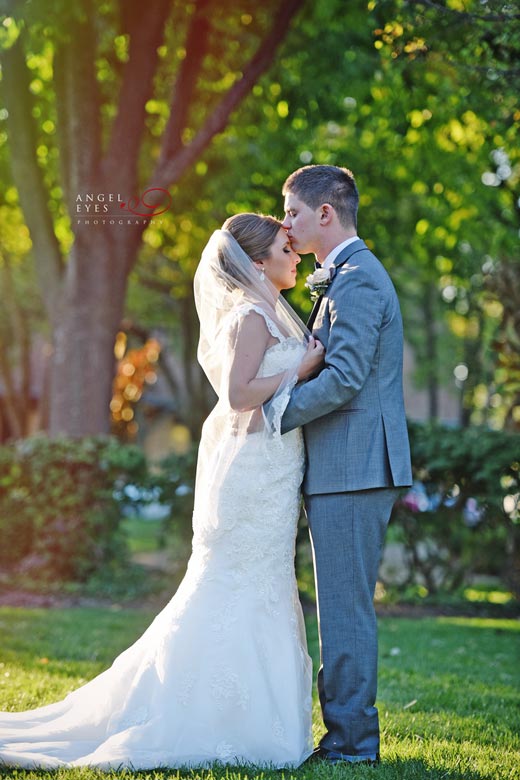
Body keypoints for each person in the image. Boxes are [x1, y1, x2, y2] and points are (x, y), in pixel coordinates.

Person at [0, 213, 324, 770]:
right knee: (238, 586)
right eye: (283, 248)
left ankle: (247, 716)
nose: (294, 255)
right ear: (255, 262)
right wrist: (306, 367)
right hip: (251, 478)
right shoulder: (250, 316)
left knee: (261, 585)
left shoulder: (270, 312)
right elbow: (240, 393)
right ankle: (208, 715)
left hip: (269, 472)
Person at [280, 164, 412, 765]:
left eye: (294, 213)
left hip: (356, 467)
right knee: (339, 604)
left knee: (344, 608)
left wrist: (275, 411)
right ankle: (345, 734)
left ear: (324, 213)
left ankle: (353, 743)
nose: (287, 225)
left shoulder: (357, 279)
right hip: (347, 466)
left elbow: (345, 377)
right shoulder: (346, 275)